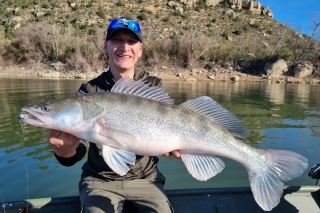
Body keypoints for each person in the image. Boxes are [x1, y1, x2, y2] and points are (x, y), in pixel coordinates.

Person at [47, 17, 180, 213]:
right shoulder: (89, 90)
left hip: (146, 180)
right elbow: (81, 145)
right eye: (117, 40)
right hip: (99, 181)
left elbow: (168, 128)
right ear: (106, 47)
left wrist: (173, 145)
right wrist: (64, 152)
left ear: (140, 50)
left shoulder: (152, 85)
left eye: (131, 41)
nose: (125, 47)